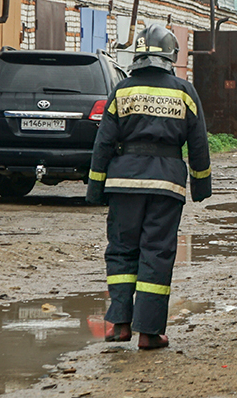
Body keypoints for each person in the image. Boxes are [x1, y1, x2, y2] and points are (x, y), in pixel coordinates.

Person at [86, 22, 211, 350]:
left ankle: (120, 325)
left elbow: (103, 143)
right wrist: (201, 185)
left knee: (122, 251)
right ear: (171, 56)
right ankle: (149, 332)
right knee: (156, 252)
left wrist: (95, 188)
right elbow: (198, 144)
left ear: (138, 55)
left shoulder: (122, 91)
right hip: (166, 185)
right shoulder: (184, 92)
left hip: (123, 183)